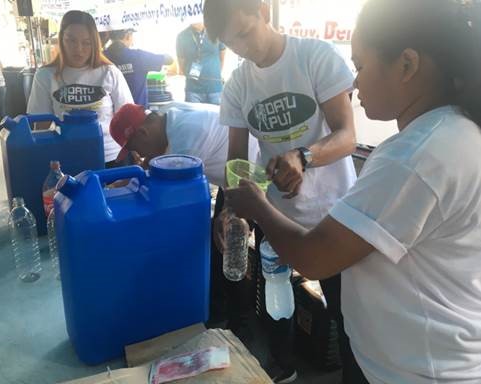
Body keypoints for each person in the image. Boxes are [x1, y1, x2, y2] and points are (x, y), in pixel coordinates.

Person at [226, 0, 481, 383]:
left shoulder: (416, 156)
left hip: (421, 371)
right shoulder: (452, 132)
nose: (355, 81)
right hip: (416, 358)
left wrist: (257, 207)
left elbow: (312, 257)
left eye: (360, 65)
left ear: (408, 65)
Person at [203, 1, 357, 382]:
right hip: (278, 214)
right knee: (276, 299)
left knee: (347, 314)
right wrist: (233, 211)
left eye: (244, 33)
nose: (241, 48)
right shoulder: (238, 84)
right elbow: (237, 161)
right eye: (230, 43)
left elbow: (347, 136)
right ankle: (282, 366)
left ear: (263, 12)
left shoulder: (315, 57)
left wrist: (304, 156)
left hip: (335, 212)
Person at [27, 10, 133, 166]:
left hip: (110, 157)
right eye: (71, 40)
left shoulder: (110, 72)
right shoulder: (44, 75)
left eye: (86, 42)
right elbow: (41, 125)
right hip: (66, 157)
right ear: (61, 39)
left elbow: (127, 117)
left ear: (95, 44)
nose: (78, 49)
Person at [109, 101, 258, 186]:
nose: (140, 155)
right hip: (228, 174)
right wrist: (122, 183)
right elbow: (149, 162)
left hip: (253, 176)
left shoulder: (186, 142)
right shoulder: (164, 115)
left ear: (143, 133)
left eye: (135, 148)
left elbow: (174, 191)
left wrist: (127, 186)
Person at [104, 29, 173, 107]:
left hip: (112, 116)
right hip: (137, 114)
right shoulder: (139, 56)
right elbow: (169, 60)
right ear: (128, 36)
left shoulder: (102, 57)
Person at [176, 23, 226, 105]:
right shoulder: (182, 36)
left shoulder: (216, 32)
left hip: (215, 89)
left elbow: (222, 58)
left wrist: (212, 74)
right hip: (193, 91)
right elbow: (181, 65)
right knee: (195, 117)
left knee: (216, 117)